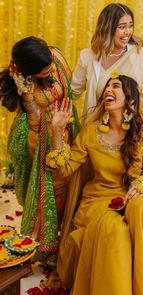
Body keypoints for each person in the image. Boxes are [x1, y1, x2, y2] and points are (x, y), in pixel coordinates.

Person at [46, 74, 143, 294]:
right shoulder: (91, 132)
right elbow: (65, 168)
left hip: (130, 198)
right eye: (107, 87)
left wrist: (138, 188)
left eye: (116, 86)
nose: (108, 90)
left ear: (131, 100)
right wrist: (57, 131)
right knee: (114, 230)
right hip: (97, 203)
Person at [0, 36, 80, 262]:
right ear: (30, 71)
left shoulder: (55, 58)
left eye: (50, 63)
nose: (52, 69)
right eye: (45, 69)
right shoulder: (24, 83)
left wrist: (64, 126)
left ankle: (66, 239)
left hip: (67, 128)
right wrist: (53, 130)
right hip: (42, 136)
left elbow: (70, 91)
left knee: (70, 181)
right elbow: (33, 119)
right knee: (51, 187)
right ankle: (47, 243)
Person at [71, 2, 143, 130]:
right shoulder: (88, 57)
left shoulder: (142, 55)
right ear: (107, 28)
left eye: (130, 26)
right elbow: (71, 92)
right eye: (122, 27)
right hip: (96, 132)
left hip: (131, 133)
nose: (128, 32)